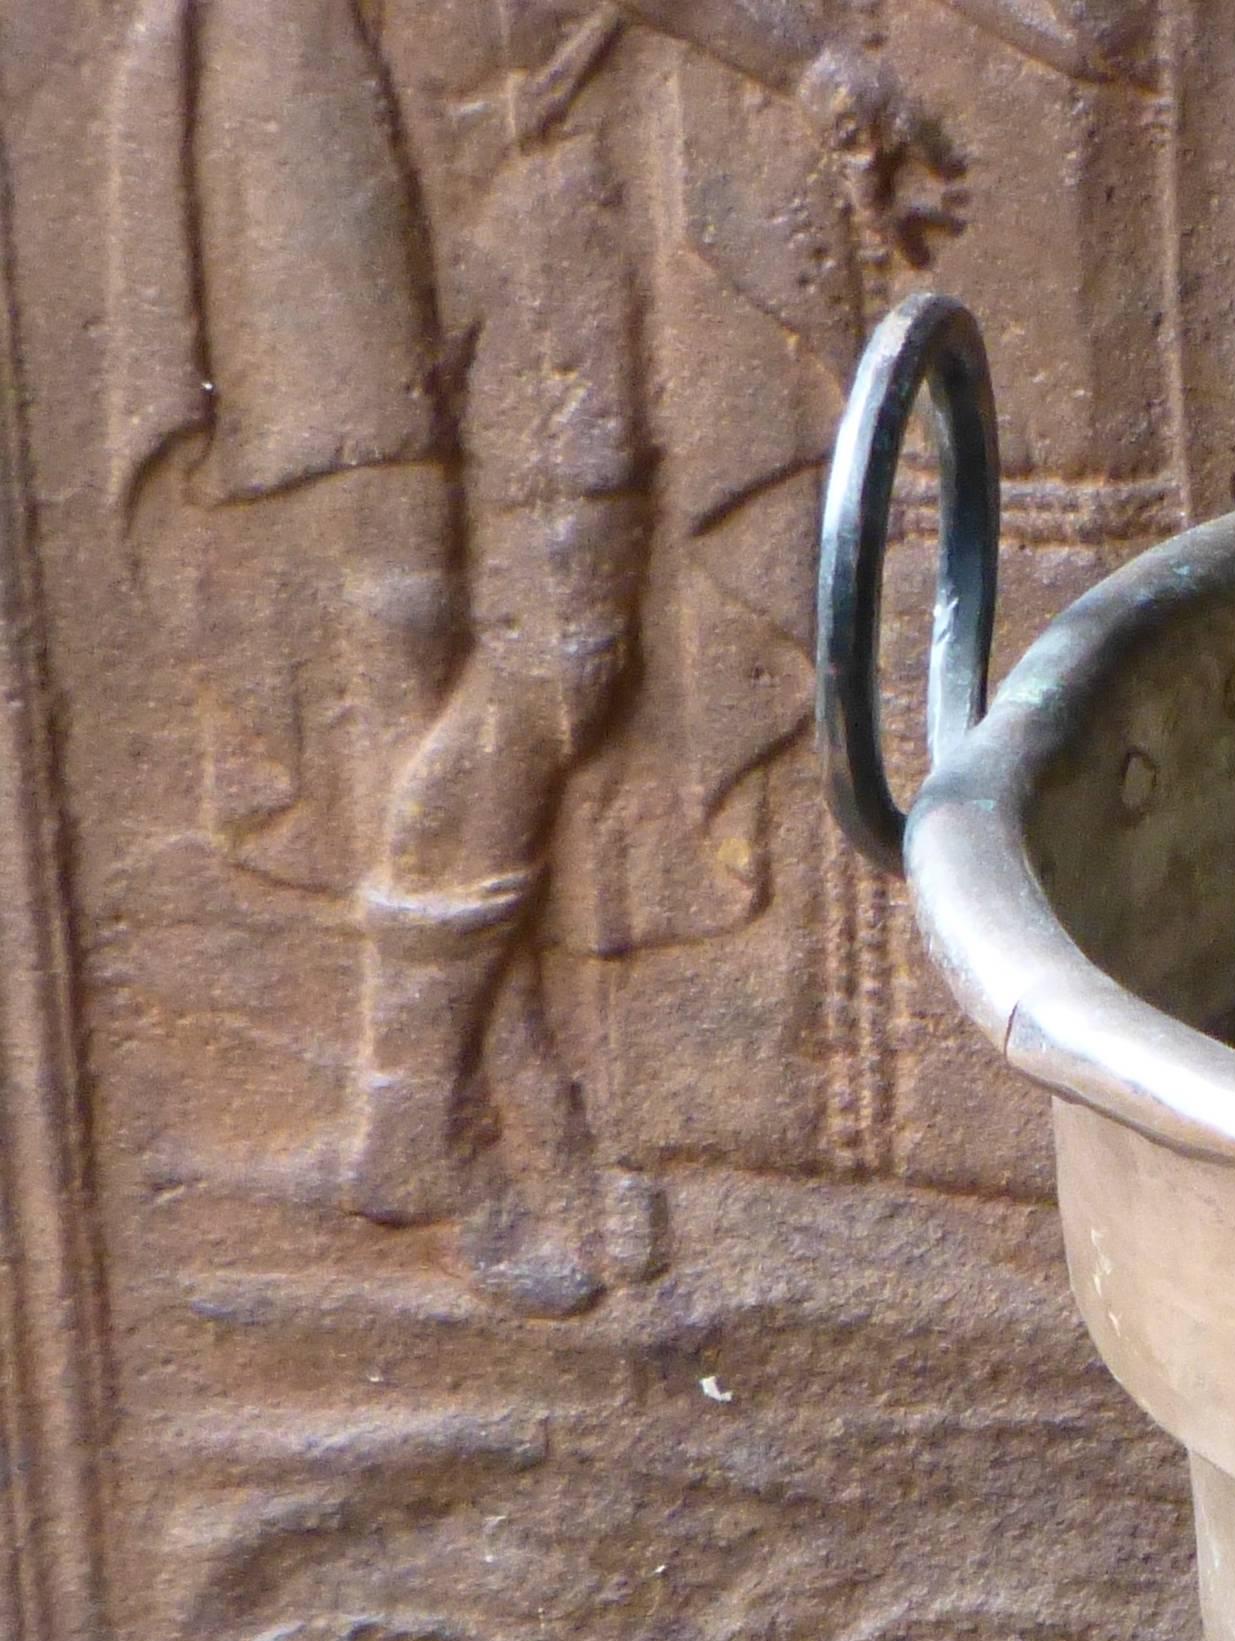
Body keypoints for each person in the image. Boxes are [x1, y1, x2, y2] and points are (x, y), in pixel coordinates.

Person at [110, 0, 965, 1309]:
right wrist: (809, 64)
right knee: (434, 648)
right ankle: (458, 1123)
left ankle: (471, 1121)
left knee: (539, 665)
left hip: (516, 166)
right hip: (341, 137)